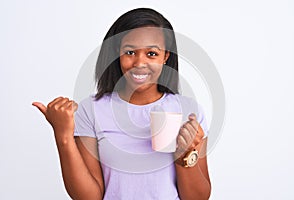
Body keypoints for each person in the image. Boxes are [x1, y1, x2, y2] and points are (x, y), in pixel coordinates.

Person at [32, 8, 211, 200]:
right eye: (130, 52)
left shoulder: (188, 111)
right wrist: (63, 135)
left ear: (165, 57)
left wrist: (185, 154)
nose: (139, 63)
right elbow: (88, 197)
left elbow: (198, 198)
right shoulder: (91, 110)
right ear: (117, 53)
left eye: (151, 53)